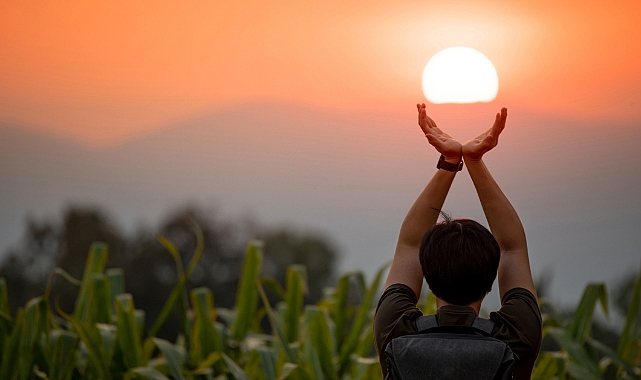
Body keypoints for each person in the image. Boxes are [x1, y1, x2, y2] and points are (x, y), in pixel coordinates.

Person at [374, 104, 542, 380]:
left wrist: (450, 162)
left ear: (427, 278)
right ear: (491, 283)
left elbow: (409, 244)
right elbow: (513, 248)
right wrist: (474, 162)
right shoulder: (517, 337)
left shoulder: (396, 331)